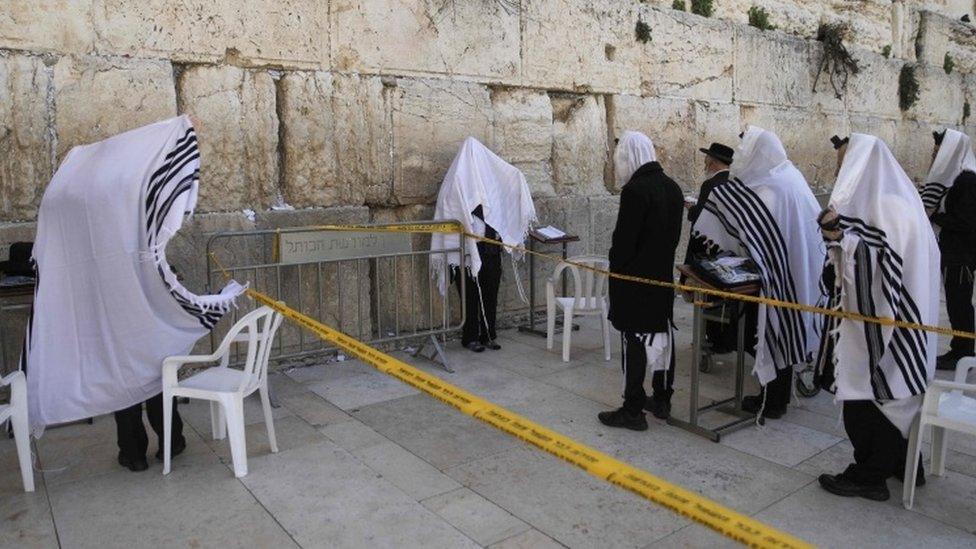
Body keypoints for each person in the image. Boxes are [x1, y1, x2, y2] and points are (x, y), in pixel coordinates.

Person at [24, 115, 245, 471]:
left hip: (103, 298)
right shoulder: (120, 193)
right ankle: (170, 442)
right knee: (155, 367)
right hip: (137, 292)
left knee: (119, 370)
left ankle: (132, 451)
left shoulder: (79, 199)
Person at [815, 133, 938, 501]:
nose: (839, 172)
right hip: (909, 322)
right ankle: (904, 465)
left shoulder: (884, 208)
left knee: (865, 394)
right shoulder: (902, 201)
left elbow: (876, 265)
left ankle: (869, 476)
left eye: (844, 165)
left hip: (884, 326)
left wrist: (837, 236)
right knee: (900, 394)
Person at [690, 126, 824, 419]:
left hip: (779, 277)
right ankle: (776, 395)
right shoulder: (790, 177)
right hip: (800, 271)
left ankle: (773, 400)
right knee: (783, 328)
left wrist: (715, 198)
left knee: (763, 330)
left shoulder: (772, 186)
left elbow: (737, 206)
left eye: (743, 153)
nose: (739, 159)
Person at [598, 131, 683, 430]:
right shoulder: (673, 188)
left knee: (633, 344)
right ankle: (662, 399)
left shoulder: (635, 191)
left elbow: (624, 242)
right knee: (662, 338)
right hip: (661, 279)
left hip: (634, 282)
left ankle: (632, 410)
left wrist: (615, 268)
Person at [430, 137, 537, 352]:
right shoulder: (455, 184)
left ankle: (489, 334)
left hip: (491, 248)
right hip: (466, 253)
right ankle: (470, 337)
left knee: (490, 291)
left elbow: (508, 187)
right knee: (470, 295)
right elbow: (450, 210)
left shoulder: (489, 184)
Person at [921, 129, 976, 371]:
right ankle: (961, 348)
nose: (934, 156)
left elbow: (966, 221)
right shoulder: (954, 178)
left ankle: (963, 351)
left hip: (962, 255)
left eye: (938, 152)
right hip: (954, 251)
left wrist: (937, 218)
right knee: (955, 301)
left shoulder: (966, 180)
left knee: (959, 303)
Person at [683, 142, 737, 354]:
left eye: (707, 159)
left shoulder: (710, 185)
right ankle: (726, 341)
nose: (705, 162)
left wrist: (691, 209)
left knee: (708, 300)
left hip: (707, 251)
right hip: (727, 249)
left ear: (713, 162)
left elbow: (703, 220)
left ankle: (712, 341)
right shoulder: (734, 182)